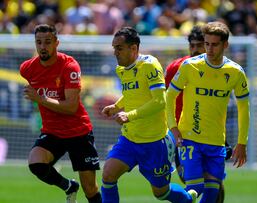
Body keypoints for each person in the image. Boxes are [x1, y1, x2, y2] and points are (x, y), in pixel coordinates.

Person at [100, 27, 197, 203]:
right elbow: (133, 93)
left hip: (155, 143)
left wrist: (129, 115)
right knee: (108, 175)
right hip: (129, 140)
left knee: (161, 193)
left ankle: (187, 199)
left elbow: (160, 101)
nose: (115, 52)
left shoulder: (150, 65)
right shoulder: (122, 70)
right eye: (114, 48)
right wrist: (116, 106)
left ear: (134, 48)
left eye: (119, 48)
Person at [166, 21, 250, 203]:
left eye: (215, 44)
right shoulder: (189, 66)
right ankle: (163, 190)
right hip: (189, 138)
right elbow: (169, 96)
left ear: (225, 45)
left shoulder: (236, 72)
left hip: (216, 142)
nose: (209, 49)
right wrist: (173, 127)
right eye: (207, 44)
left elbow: (244, 108)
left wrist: (242, 142)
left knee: (213, 193)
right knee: (196, 187)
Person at [20, 24, 101, 203]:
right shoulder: (27, 69)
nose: (43, 46)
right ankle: (69, 186)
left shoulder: (70, 66)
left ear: (57, 43)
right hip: (52, 132)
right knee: (36, 163)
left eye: (47, 42)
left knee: (90, 189)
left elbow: (71, 107)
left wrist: (39, 99)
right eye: (39, 42)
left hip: (78, 131)